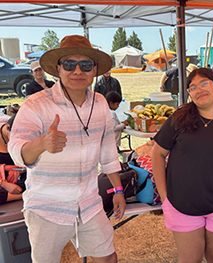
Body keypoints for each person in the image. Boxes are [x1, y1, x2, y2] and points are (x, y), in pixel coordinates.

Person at [8, 35, 126, 263]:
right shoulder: (37, 104)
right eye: (70, 64)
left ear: (95, 71)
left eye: (86, 65)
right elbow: (17, 150)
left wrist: (118, 190)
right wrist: (41, 144)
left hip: (89, 203)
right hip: (47, 207)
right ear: (58, 69)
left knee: (108, 257)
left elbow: (108, 151)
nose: (77, 71)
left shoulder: (100, 103)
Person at [152, 67, 213, 263]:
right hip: (181, 206)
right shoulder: (178, 119)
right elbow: (157, 154)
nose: (199, 90)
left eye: (204, 84)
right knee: (190, 258)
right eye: (193, 87)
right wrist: (165, 198)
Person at [0, 114, 26, 204]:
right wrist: (3, 183)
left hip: (20, 181)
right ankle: (20, 196)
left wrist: (20, 169)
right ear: (7, 128)